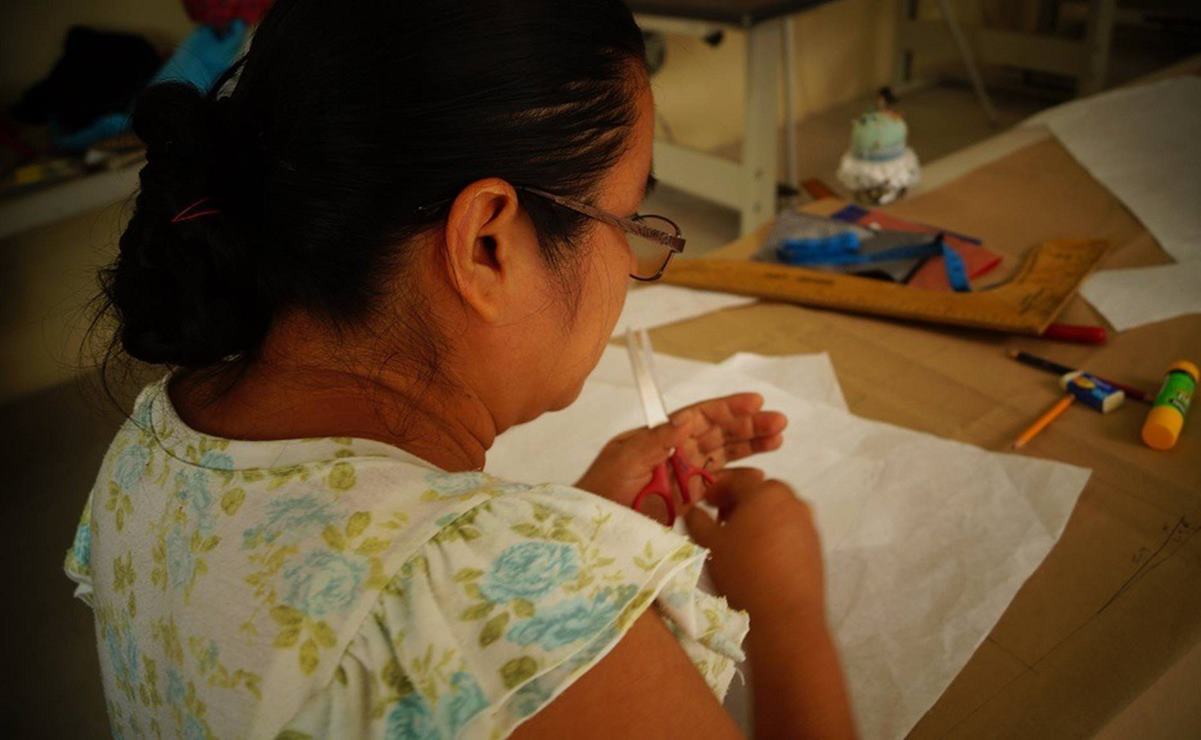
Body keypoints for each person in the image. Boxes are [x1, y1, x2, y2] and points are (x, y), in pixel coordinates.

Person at [64, 1, 855, 737]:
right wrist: (785, 611)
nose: (632, 259)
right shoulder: (503, 617)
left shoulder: (151, 443)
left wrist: (572, 528)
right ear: (487, 244)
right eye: (627, 218)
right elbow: (456, 628)